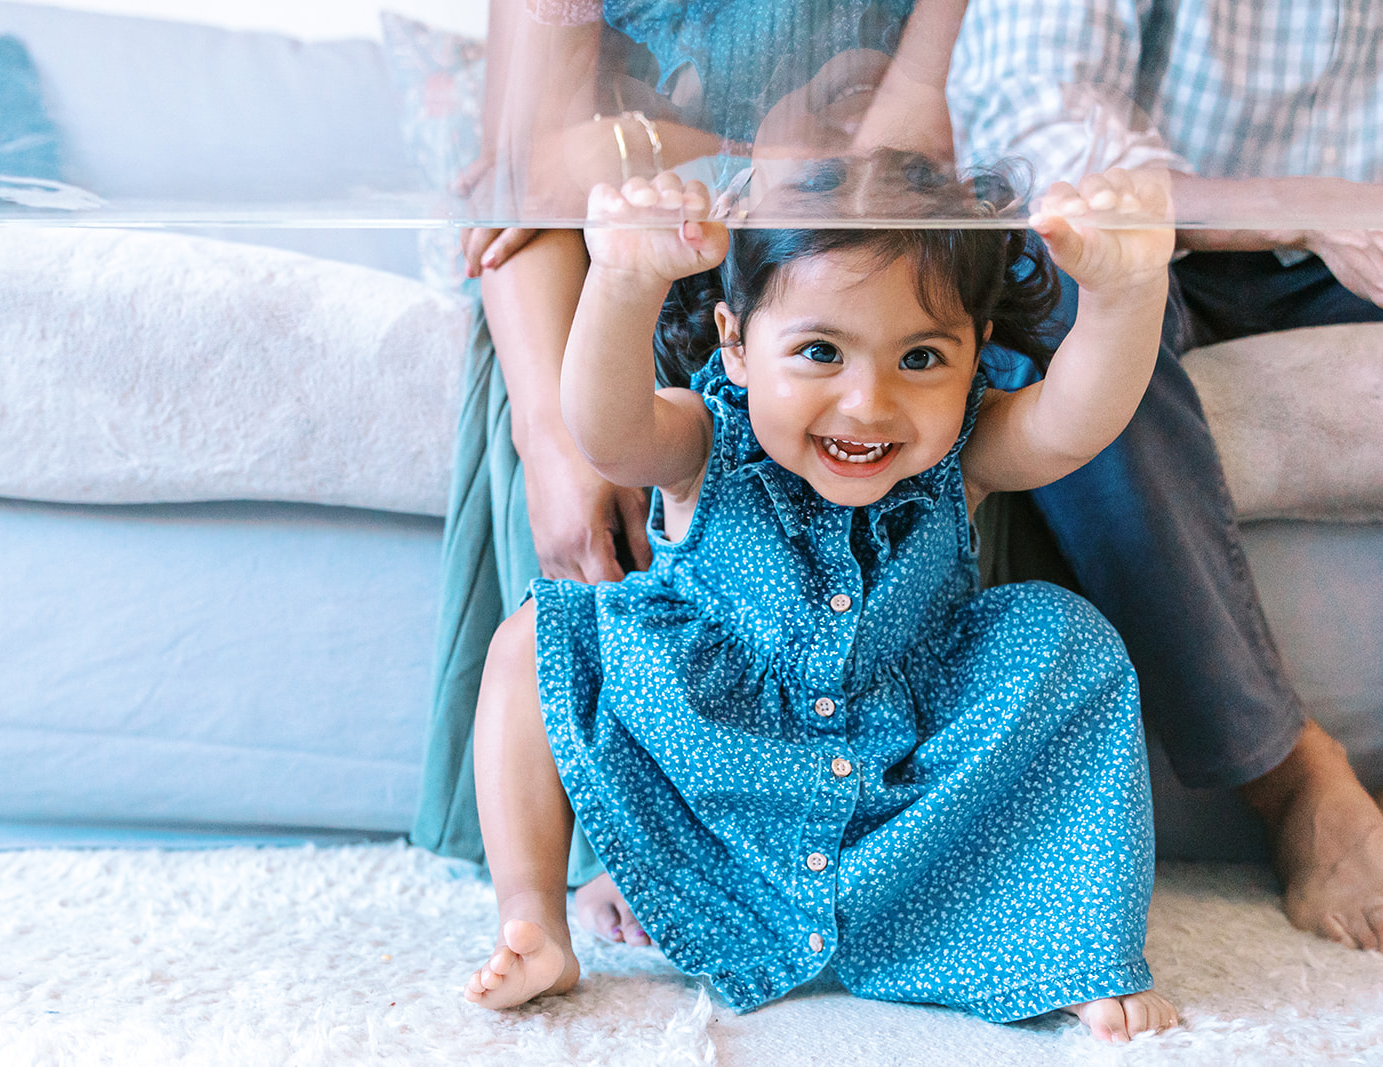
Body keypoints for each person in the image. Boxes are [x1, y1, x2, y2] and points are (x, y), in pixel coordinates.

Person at [461, 165, 1178, 1041]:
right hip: (717, 781)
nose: (868, 403)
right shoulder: (705, 440)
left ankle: (1063, 949)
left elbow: (1076, 418)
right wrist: (623, 278)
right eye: (819, 352)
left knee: (1068, 638)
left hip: (899, 806)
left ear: (975, 352)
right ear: (735, 342)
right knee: (536, 634)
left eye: (921, 358)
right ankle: (533, 920)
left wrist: (1129, 292)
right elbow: (605, 427)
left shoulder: (963, 451)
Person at [947, 0, 1383, 963]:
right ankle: (1300, 790)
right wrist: (1314, 209)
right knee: (1047, 278)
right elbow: (1033, 136)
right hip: (1184, 240)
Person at [414, 0, 976, 947]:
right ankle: (618, 837)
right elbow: (525, 197)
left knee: (873, 347)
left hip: (843, 266)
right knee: (599, 451)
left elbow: (910, 158)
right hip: (611, 276)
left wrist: (657, 147)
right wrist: (555, 444)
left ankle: (800, 847)